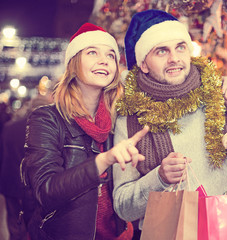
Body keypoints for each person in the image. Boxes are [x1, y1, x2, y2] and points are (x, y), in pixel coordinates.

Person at [112, 9, 227, 240]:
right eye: (161, 51)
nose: (174, 59)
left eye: (180, 47)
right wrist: (158, 177)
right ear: (144, 64)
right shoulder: (129, 118)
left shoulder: (222, 95)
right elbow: (122, 206)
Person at [21, 22, 149, 240]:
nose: (104, 60)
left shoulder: (116, 119)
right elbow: (45, 191)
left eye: (110, 55)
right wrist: (104, 160)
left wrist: (224, 81)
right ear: (73, 63)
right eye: (92, 52)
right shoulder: (47, 118)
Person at [0, 94, 52, 240]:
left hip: (9, 184)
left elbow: (2, 156)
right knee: (36, 227)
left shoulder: (10, 127)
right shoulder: (45, 130)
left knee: (14, 225)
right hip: (33, 187)